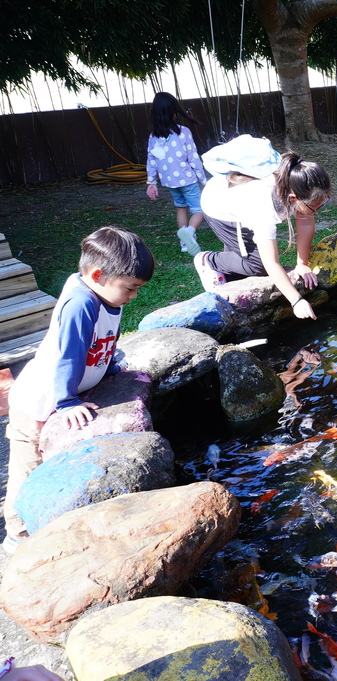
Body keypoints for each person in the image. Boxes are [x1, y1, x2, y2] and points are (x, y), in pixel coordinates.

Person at [2, 227, 153, 553]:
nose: (134, 296)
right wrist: (67, 401)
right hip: (37, 402)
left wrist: (109, 367)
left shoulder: (105, 291)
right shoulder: (81, 304)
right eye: (130, 288)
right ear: (97, 275)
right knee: (27, 470)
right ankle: (17, 536)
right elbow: (67, 354)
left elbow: (106, 338)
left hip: (61, 395)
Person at [196, 135, 329, 320]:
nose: (316, 210)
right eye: (314, 206)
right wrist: (296, 300)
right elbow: (271, 262)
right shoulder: (262, 206)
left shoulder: (296, 182)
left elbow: (305, 219)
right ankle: (208, 261)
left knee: (243, 256)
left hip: (237, 203)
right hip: (218, 208)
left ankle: (230, 275)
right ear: (293, 198)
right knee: (257, 264)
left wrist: (301, 265)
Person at [145, 92, 206, 256]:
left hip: (169, 181)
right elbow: (193, 157)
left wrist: (151, 182)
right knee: (199, 209)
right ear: (173, 111)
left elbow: (151, 160)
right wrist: (203, 179)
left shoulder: (153, 136)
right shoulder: (183, 131)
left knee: (181, 207)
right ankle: (190, 231)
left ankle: (184, 242)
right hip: (187, 179)